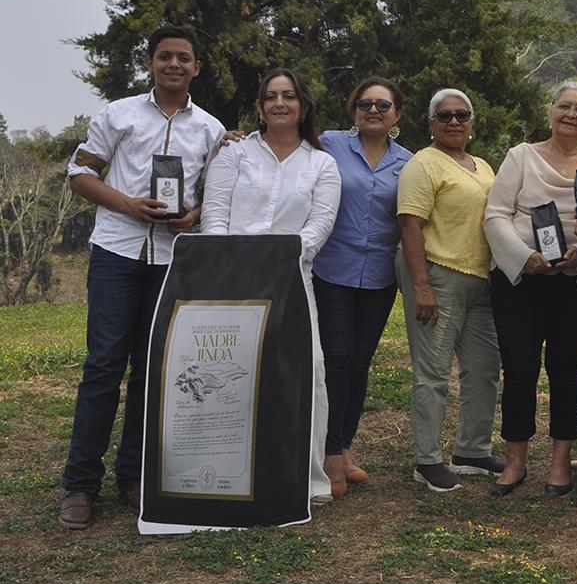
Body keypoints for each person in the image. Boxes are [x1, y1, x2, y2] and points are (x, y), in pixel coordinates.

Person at [60, 25, 225, 530]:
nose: (174, 64)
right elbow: (79, 174)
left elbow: (219, 192)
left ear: (197, 67)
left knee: (152, 370)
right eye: (164, 56)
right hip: (117, 252)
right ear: (150, 63)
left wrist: (192, 216)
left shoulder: (210, 129)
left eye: (184, 58)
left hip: (172, 259)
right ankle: (80, 484)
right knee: (103, 366)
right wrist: (128, 204)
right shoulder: (118, 114)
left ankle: (134, 476)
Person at [201, 68, 341, 502]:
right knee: (231, 374)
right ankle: (229, 473)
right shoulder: (235, 154)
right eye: (271, 96)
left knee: (307, 373)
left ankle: (307, 479)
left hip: (292, 281)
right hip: (232, 282)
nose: (280, 103)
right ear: (260, 107)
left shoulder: (322, 164)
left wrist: (281, 260)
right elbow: (215, 214)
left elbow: (319, 225)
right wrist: (229, 263)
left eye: (289, 96)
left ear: (304, 106)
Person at [484, 81, 577, 496]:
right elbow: (496, 215)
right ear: (551, 110)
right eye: (564, 106)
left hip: (573, 285)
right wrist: (524, 257)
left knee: (567, 369)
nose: (571, 115)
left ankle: (560, 462)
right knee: (519, 369)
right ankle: (515, 460)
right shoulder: (520, 156)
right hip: (520, 282)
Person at [397, 89, 502, 493]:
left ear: (472, 122)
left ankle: (472, 450)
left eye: (462, 114)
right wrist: (421, 286)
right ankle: (427, 460)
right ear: (431, 123)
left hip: (479, 280)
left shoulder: (483, 166)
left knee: (484, 369)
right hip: (437, 274)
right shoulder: (422, 165)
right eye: (444, 116)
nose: (454, 121)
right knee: (433, 373)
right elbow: (410, 225)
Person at [312, 77, 412, 497]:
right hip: (331, 269)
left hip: (378, 276)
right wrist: (235, 139)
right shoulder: (329, 144)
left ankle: (344, 447)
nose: (373, 110)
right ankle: (329, 454)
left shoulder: (409, 162)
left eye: (383, 105)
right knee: (337, 359)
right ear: (353, 109)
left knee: (359, 362)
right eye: (365, 103)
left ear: (397, 114)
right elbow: (281, 149)